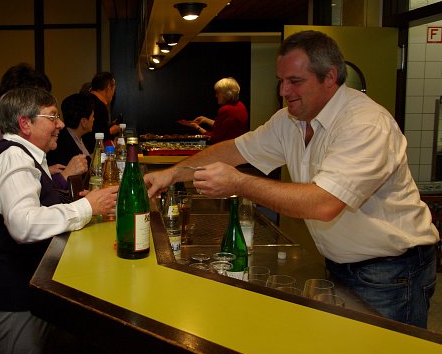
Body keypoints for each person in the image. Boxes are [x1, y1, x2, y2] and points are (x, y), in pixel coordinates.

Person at [145, 30, 439, 329]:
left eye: (295, 81)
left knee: (385, 352)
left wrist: (239, 183)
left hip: (391, 271)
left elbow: (324, 204)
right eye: (281, 80)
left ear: (330, 77)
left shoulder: (365, 123)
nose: (284, 91)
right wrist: (173, 173)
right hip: (342, 263)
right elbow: (234, 150)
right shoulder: (290, 120)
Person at [0, 87, 118, 354]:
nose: (60, 124)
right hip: (9, 295)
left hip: (20, 289)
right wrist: (86, 207)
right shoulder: (14, 159)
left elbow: (33, 204)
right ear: (25, 123)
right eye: (52, 117)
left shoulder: (24, 154)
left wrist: (73, 201)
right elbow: (23, 224)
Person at [0, 63, 85, 189]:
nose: (60, 124)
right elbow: (17, 187)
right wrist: (63, 176)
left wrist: (44, 172)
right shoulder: (11, 151)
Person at [179, 77, 248, 144]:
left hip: (227, 147)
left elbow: (213, 138)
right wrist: (205, 120)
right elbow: (223, 126)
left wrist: (197, 127)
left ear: (226, 94)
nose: (216, 96)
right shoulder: (240, 105)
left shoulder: (226, 109)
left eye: (218, 93)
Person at [46, 92, 93, 170]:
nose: (94, 119)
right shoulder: (61, 144)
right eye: (92, 116)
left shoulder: (83, 137)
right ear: (83, 122)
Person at [83, 71, 120, 152]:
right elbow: (96, 137)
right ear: (108, 88)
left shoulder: (86, 99)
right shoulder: (100, 106)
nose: (113, 94)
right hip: (91, 152)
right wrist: (111, 131)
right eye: (113, 90)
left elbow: (97, 128)